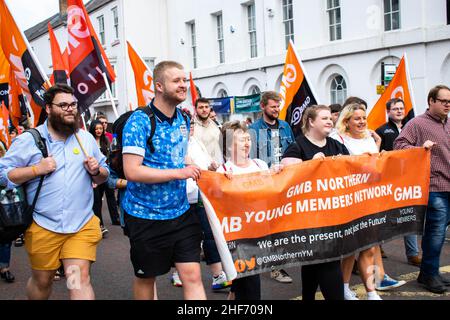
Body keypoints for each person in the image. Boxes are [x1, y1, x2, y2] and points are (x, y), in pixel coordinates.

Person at [0, 84, 109, 300]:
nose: (70, 109)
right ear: (48, 108)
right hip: (43, 225)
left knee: (78, 279)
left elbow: (104, 176)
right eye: (63, 105)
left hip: (80, 225)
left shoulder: (85, 138)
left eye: (73, 105)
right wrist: (36, 169)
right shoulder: (29, 140)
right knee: (43, 281)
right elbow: (3, 174)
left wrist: (97, 171)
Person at [122, 61, 206, 300]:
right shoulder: (139, 121)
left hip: (181, 213)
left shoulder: (184, 119)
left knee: (192, 276)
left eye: (184, 80)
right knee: (146, 278)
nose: (183, 85)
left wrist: (194, 166)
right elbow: (132, 171)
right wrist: (180, 173)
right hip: (145, 216)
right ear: (159, 86)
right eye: (176, 81)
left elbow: (179, 156)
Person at [332, 103, 405, 300]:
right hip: (348, 200)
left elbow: (376, 169)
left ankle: (371, 291)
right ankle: (345, 289)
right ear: (346, 121)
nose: (362, 122)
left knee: (369, 247)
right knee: (349, 249)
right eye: (357, 118)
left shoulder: (369, 139)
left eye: (364, 118)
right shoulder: (337, 139)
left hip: (370, 198)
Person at [281, 105, 347, 300]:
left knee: (313, 262)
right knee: (327, 262)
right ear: (310, 121)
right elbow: (286, 178)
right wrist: (310, 165)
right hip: (308, 220)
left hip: (333, 215)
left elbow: (354, 170)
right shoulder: (297, 146)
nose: (330, 121)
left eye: (330, 118)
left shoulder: (336, 145)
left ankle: (307, 297)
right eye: (324, 118)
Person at [394, 85, 450, 294]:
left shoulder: (449, 123)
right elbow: (399, 146)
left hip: (449, 185)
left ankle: (427, 272)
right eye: (443, 100)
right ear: (431, 101)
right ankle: (430, 275)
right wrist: (420, 149)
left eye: (449, 101)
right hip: (434, 185)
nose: (447, 104)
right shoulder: (417, 123)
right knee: (435, 233)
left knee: (439, 232)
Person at [217, 120, 273, 300]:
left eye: (248, 139)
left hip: (259, 231)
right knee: (250, 279)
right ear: (228, 145)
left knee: (241, 281)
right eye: (241, 140)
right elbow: (214, 203)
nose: (247, 143)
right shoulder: (223, 170)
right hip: (237, 237)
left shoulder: (260, 165)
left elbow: (272, 192)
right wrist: (221, 184)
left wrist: (278, 173)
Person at [249, 91, 295, 284]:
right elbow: (249, 159)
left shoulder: (285, 127)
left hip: (284, 182)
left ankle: (278, 260)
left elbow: (292, 150)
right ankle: (275, 267)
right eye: (273, 106)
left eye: (278, 106)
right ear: (263, 107)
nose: (277, 110)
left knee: (283, 224)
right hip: (264, 184)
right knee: (270, 227)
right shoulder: (253, 129)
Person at [376, 98, 421, 267]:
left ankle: (413, 254)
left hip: (409, 179)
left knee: (409, 214)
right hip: (388, 180)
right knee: (383, 216)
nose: (399, 111)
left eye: (401, 108)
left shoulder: (413, 127)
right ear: (388, 111)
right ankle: (377, 244)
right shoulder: (381, 130)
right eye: (395, 109)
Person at [89, 120, 120, 236]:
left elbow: (109, 155)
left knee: (111, 195)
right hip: (95, 174)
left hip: (106, 172)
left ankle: (115, 218)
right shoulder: (89, 141)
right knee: (97, 200)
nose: (99, 131)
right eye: (96, 129)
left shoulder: (106, 140)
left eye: (100, 128)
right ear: (93, 129)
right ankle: (99, 224)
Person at [0, 141, 14, 284]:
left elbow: (10, 180)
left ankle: (5, 268)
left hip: (4, 203)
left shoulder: (5, 163)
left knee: (5, 237)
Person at [193, 98, 223, 167]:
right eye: (201, 107)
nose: (204, 110)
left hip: (219, 167)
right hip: (203, 169)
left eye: (206, 107)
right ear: (196, 110)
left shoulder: (215, 124)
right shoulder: (192, 127)